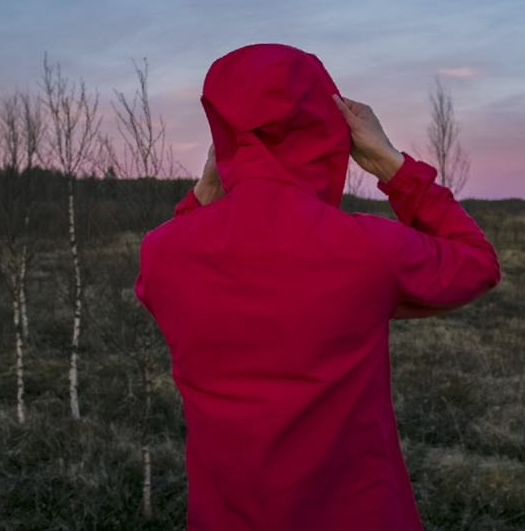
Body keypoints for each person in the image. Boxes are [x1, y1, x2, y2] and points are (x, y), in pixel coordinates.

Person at [135, 43, 500, 530]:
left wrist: (206, 191)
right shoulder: (368, 249)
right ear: (331, 131)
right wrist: (390, 164)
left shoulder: (164, 252)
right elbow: (477, 263)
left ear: (221, 132)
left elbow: (151, 284)